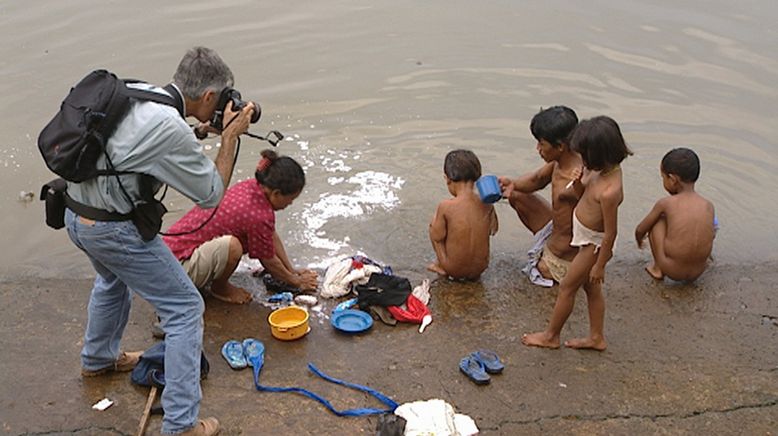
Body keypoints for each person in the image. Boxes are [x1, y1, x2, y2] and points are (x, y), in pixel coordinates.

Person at [64, 47, 255, 435]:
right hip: (111, 230)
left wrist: (201, 132)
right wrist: (230, 138)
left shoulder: (137, 92)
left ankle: (97, 358)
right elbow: (210, 195)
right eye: (222, 101)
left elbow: (139, 146)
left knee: (112, 279)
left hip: (76, 216)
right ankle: (182, 425)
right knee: (185, 308)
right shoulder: (170, 128)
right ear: (208, 98)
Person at [522, 116, 632, 351]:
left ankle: (551, 336)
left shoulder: (610, 191)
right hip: (584, 239)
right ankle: (596, 337)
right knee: (592, 291)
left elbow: (610, 233)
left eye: (585, 154)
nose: (580, 158)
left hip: (592, 245)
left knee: (567, 288)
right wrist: (579, 183)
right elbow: (582, 195)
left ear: (599, 154)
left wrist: (599, 264)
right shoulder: (597, 171)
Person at [163, 150, 319, 302]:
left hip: (169, 254)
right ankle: (220, 288)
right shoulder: (259, 215)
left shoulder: (252, 187)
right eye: (290, 200)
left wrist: (291, 271)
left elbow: (270, 235)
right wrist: (297, 282)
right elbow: (268, 260)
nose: (289, 204)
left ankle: (210, 276)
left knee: (230, 244)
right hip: (177, 272)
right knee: (233, 247)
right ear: (276, 194)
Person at [498, 106, 581, 286]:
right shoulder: (558, 163)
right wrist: (512, 183)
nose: (538, 148)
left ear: (560, 146)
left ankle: (567, 265)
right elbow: (537, 179)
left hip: (567, 254)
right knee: (517, 194)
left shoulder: (580, 179)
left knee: (543, 269)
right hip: (556, 232)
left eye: (542, 144)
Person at [635, 147, 716, 282]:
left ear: (672, 179)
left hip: (672, 270)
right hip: (698, 271)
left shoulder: (666, 203)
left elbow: (640, 229)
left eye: (663, 177)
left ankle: (657, 269)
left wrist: (639, 241)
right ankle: (703, 260)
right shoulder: (708, 205)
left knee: (657, 221)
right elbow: (711, 234)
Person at [428, 149, 498, 280]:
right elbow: (493, 230)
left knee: (433, 226)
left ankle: (440, 265)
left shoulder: (446, 206)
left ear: (448, 179)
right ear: (478, 177)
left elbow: (437, 236)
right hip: (481, 268)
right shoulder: (487, 204)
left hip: (454, 270)